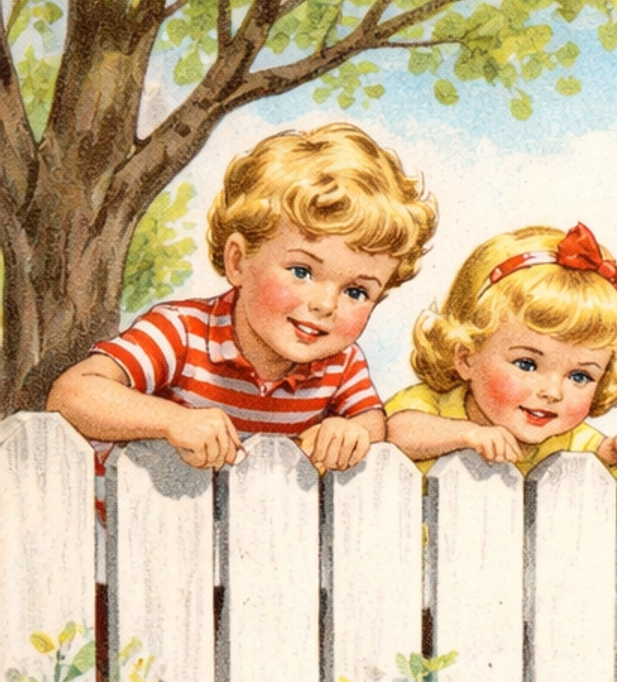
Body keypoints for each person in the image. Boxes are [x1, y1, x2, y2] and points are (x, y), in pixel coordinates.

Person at [49, 123, 435, 473]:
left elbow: (372, 421)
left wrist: (351, 431)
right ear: (238, 261)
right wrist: (172, 420)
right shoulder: (181, 333)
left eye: (356, 291)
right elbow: (72, 393)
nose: (325, 305)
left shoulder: (341, 363)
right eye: (302, 271)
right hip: (139, 530)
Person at [385, 224, 617, 476]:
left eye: (579, 376)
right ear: (466, 357)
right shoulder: (430, 406)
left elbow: (603, 451)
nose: (553, 392)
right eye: (526, 364)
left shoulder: (564, 437)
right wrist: (468, 434)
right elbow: (394, 432)